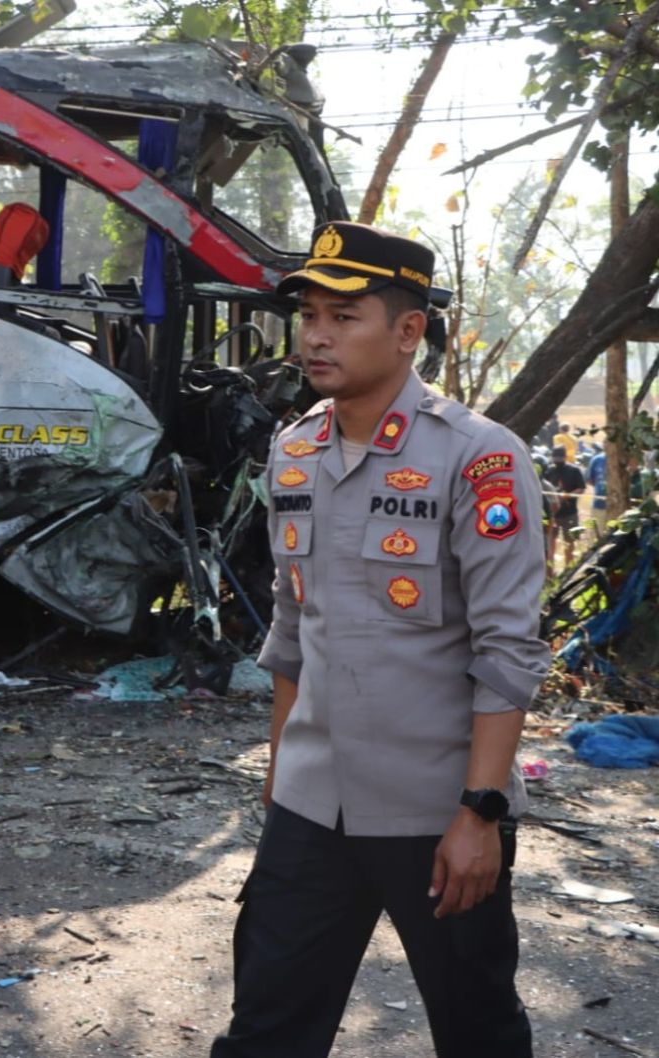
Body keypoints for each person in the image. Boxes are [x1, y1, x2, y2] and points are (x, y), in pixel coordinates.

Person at [210, 221, 550, 1058]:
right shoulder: (295, 452)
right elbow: (294, 628)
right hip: (312, 802)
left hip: (435, 808)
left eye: (344, 314)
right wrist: (279, 777)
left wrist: (481, 812)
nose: (316, 334)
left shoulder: (480, 459)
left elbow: (508, 647)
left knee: (477, 1029)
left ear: (408, 332)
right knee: (265, 1027)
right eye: (309, 314)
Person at [543, 445, 585, 575]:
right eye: (555, 458)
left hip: (569, 513)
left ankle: (568, 572)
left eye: (560, 458)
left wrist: (567, 495)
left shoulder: (574, 471)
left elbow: (581, 488)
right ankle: (550, 573)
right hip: (553, 514)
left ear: (565, 457)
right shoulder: (549, 471)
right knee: (550, 545)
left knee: (570, 543)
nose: (557, 461)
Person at [586, 447, 607, 531]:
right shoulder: (597, 459)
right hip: (599, 504)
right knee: (595, 533)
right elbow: (590, 480)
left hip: (618, 506)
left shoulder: (622, 459)